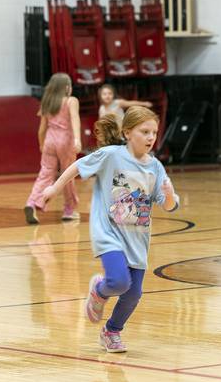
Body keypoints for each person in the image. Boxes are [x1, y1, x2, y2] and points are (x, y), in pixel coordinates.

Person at [42, 106, 178, 353]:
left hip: (137, 237)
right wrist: (54, 188)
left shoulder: (155, 167)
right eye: (144, 131)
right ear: (127, 133)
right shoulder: (111, 155)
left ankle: (111, 331)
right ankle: (99, 290)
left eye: (154, 132)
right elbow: (78, 166)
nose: (150, 137)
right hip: (109, 233)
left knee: (134, 293)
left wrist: (168, 195)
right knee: (118, 281)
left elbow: (168, 206)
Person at [25, 73, 82, 224]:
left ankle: (31, 202)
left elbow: (41, 129)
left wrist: (41, 144)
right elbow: (75, 119)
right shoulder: (71, 101)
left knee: (45, 174)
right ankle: (69, 209)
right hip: (66, 140)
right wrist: (77, 139)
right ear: (67, 88)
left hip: (50, 140)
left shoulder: (47, 102)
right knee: (67, 175)